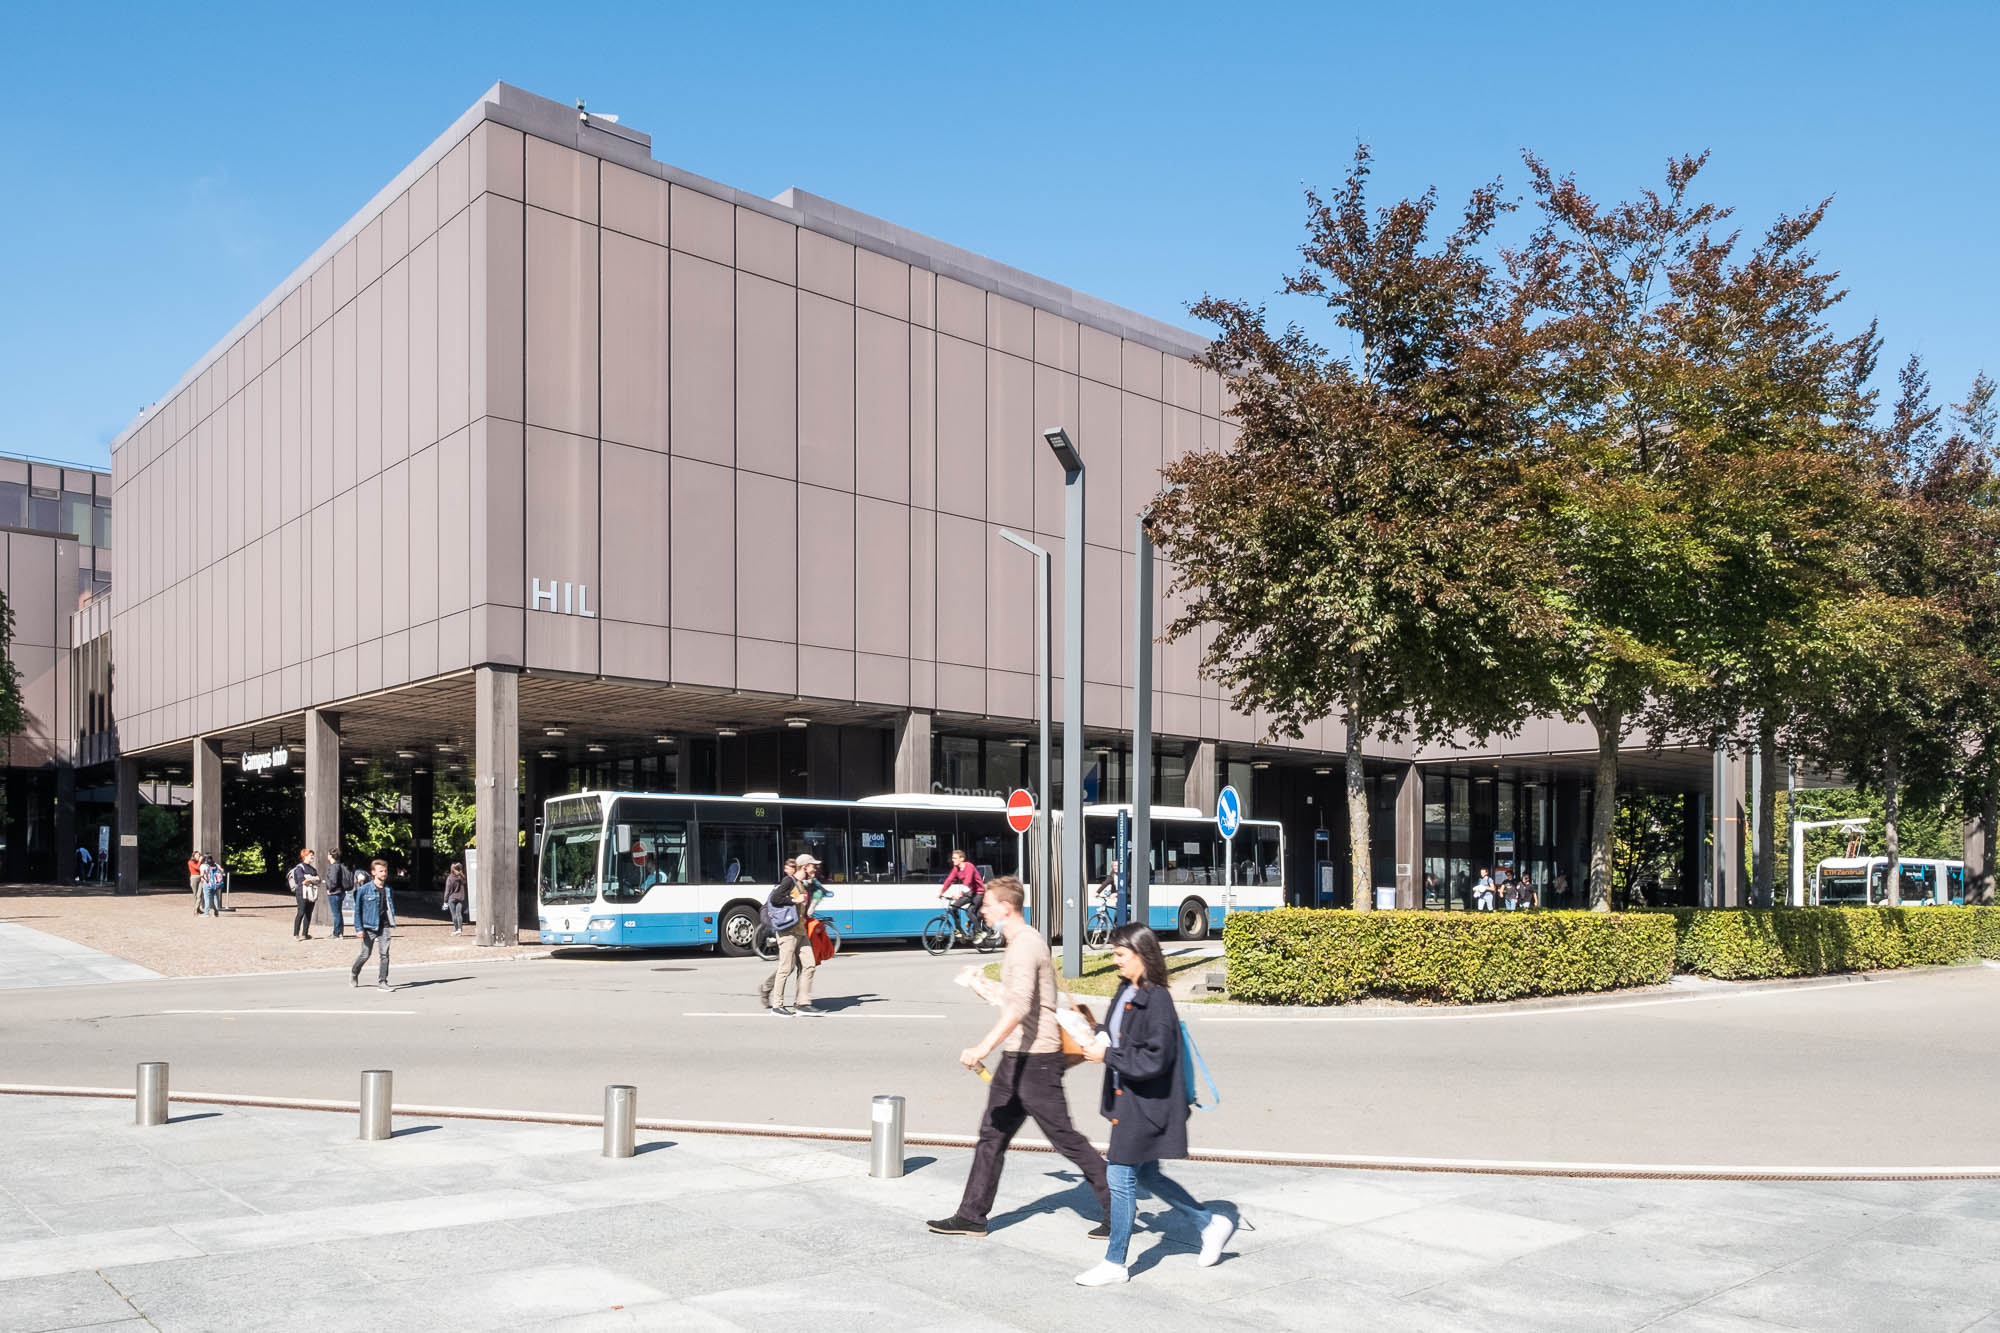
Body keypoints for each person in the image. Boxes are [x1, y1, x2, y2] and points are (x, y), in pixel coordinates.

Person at [927, 875, 1111, 1240]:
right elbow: (1022, 1000)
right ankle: (971, 1215)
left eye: (988, 905)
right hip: (1018, 1058)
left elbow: (1021, 1008)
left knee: (1065, 1139)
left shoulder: (1026, 945)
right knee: (992, 1133)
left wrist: (981, 1048)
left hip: (1037, 1059)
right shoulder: (1020, 945)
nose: (983, 910)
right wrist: (985, 986)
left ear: (1006, 908)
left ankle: (1120, 1208)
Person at [1074, 922, 1234, 1285]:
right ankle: (1209, 1223)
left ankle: (1115, 1263)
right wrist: (1090, 1032)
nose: (1113, 961)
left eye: (1119, 954)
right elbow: (1114, 1034)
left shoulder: (1157, 998)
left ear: (1142, 955)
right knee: (1145, 1174)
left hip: (1146, 1103)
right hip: (1127, 1098)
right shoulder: (1125, 989)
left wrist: (1109, 1054)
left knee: (1119, 1174)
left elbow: (1155, 1059)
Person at [759, 856, 818, 1015]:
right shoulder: (789, 881)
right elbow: (775, 899)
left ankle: (802, 1003)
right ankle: (777, 1006)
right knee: (785, 968)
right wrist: (794, 900)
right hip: (787, 932)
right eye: (813, 866)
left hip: (800, 931)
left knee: (809, 964)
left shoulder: (802, 883)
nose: (815, 869)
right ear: (804, 867)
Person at [349, 857, 397, 990]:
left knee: (384, 954)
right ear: (373, 873)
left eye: (385, 871)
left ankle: (382, 982)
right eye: (381, 871)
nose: (384, 873)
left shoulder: (388, 890)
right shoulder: (364, 890)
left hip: (384, 926)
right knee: (365, 954)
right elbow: (357, 910)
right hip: (369, 926)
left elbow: (389, 907)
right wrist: (359, 928)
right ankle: (354, 972)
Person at [940, 848, 985, 940]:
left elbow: (967, 882)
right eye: (952, 858)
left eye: (955, 858)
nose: (953, 860)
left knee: (969, 911)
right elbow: (949, 880)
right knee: (954, 908)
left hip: (978, 892)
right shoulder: (956, 869)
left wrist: (960, 894)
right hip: (969, 892)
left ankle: (980, 932)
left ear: (962, 859)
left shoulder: (969, 866)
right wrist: (941, 892)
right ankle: (959, 930)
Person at [323, 848, 356, 940]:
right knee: (339, 913)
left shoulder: (334, 866)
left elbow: (333, 880)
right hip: (341, 892)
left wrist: (329, 888)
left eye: (328, 854)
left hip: (335, 892)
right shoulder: (341, 865)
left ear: (330, 855)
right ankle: (340, 933)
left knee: (336, 914)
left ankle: (336, 933)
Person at [287, 848, 320, 940]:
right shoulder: (300, 868)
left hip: (312, 892)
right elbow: (303, 881)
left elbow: (319, 879)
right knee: (301, 912)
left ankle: (305, 934)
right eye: (311, 855)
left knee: (309, 913)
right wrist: (313, 879)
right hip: (302, 893)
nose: (313, 856)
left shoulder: (313, 869)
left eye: (313, 855)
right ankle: (295, 934)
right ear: (305, 856)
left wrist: (310, 879)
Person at [443, 861, 468, 934]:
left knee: (454, 914)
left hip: (452, 898)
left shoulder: (450, 878)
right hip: (460, 898)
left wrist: (445, 901)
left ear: (452, 869)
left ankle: (456, 929)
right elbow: (465, 884)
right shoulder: (461, 877)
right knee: (459, 914)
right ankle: (460, 929)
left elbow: (447, 890)